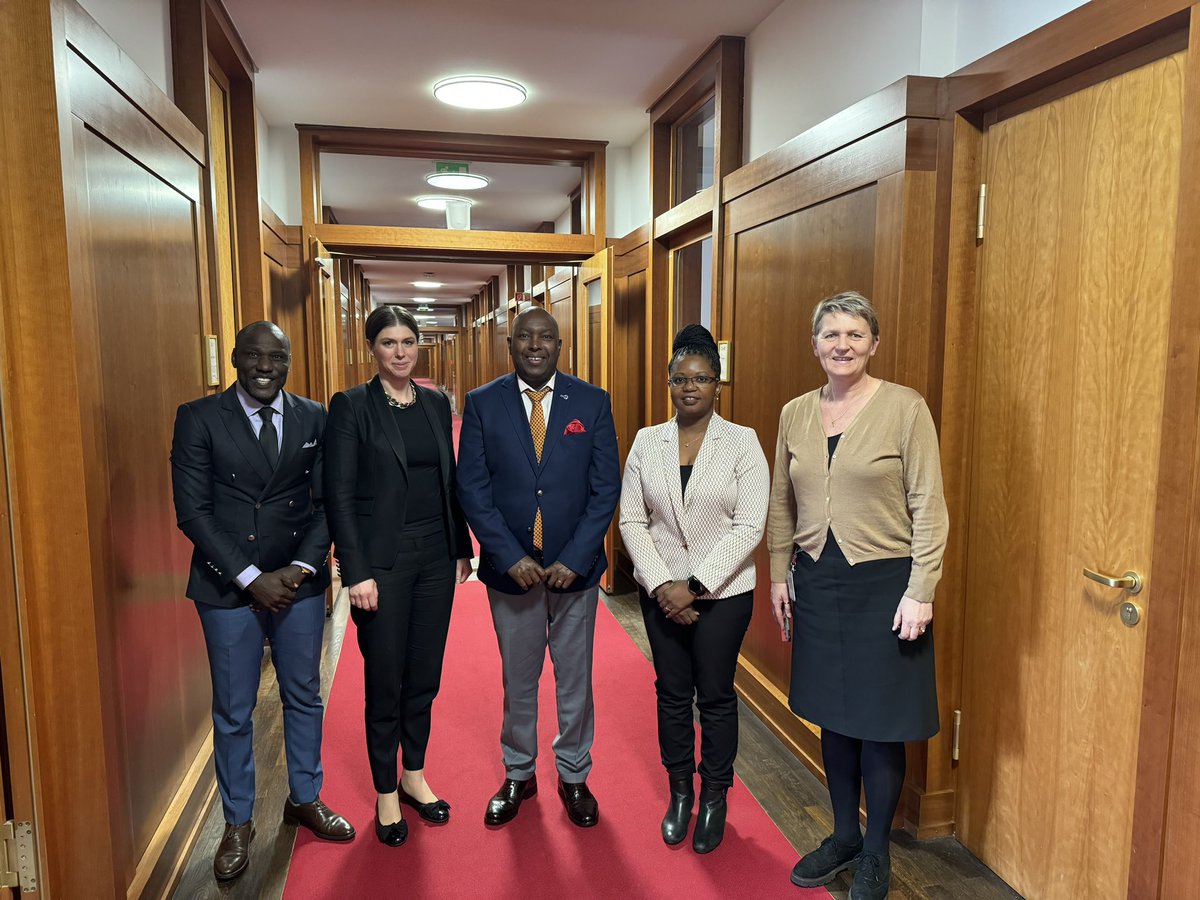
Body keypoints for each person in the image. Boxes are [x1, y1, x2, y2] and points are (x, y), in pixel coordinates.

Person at [767, 291, 947, 900]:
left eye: (855, 334)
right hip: (818, 579)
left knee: (880, 722)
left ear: (874, 343)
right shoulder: (795, 412)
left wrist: (921, 590)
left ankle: (874, 853)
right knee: (835, 717)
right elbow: (780, 503)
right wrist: (777, 573)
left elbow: (929, 505)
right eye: (831, 335)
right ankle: (843, 835)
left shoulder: (905, 408)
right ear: (815, 343)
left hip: (887, 584)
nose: (842, 345)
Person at [171, 321, 355, 882]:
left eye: (277, 356)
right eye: (254, 355)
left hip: (298, 584)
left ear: (290, 360)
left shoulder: (313, 417)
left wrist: (300, 568)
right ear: (234, 358)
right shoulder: (199, 418)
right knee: (233, 709)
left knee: (304, 693)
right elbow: (193, 511)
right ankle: (237, 822)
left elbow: (329, 501)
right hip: (228, 587)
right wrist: (253, 577)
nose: (265, 366)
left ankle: (305, 795)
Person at [456, 306, 620, 829]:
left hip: (577, 572)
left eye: (545, 337)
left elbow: (605, 488)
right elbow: (473, 490)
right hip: (512, 573)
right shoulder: (483, 403)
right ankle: (518, 772)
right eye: (525, 337)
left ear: (559, 345)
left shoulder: (591, 403)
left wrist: (574, 557)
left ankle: (573, 774)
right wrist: (509, 556)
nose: (535, 345)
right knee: (518, 679)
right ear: (510, 345)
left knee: (575, 681)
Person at [323, 305, 473, 848]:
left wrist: (462, 549)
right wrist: (353, 570)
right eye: (389, 342)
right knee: (385, 677)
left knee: (424, 674)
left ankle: (414, 774)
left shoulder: (435, 402)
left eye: (409, 341)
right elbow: (337, 495)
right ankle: (386, 790)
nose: (401, 351)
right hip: (381, 565)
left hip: (436, 557)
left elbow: (449, 483)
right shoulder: (352, 406)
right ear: (372, 349)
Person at [619, 324, 769, 854]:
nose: (690, 387)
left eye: (701, 378)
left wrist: (696, 585)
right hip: (660, 593)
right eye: (680, 378)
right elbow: (632, 522)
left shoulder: (743, 442)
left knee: (717, 696)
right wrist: (664, 584)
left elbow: (749, 526)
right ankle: (680, 791)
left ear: (717, 385)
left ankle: (714, 797)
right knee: (671, 694)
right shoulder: (645, 441)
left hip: (724, 594)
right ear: (669, 383)